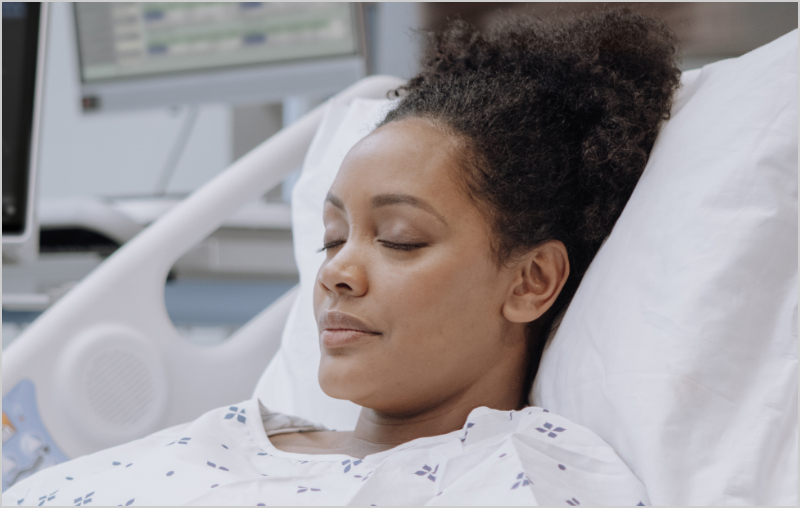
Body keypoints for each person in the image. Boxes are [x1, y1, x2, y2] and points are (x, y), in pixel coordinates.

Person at [4, 8, 680, 506]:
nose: (336, 272)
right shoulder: (232, 436)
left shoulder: (522, 477)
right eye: (333, 238)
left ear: (531, 281)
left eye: (399, 239)